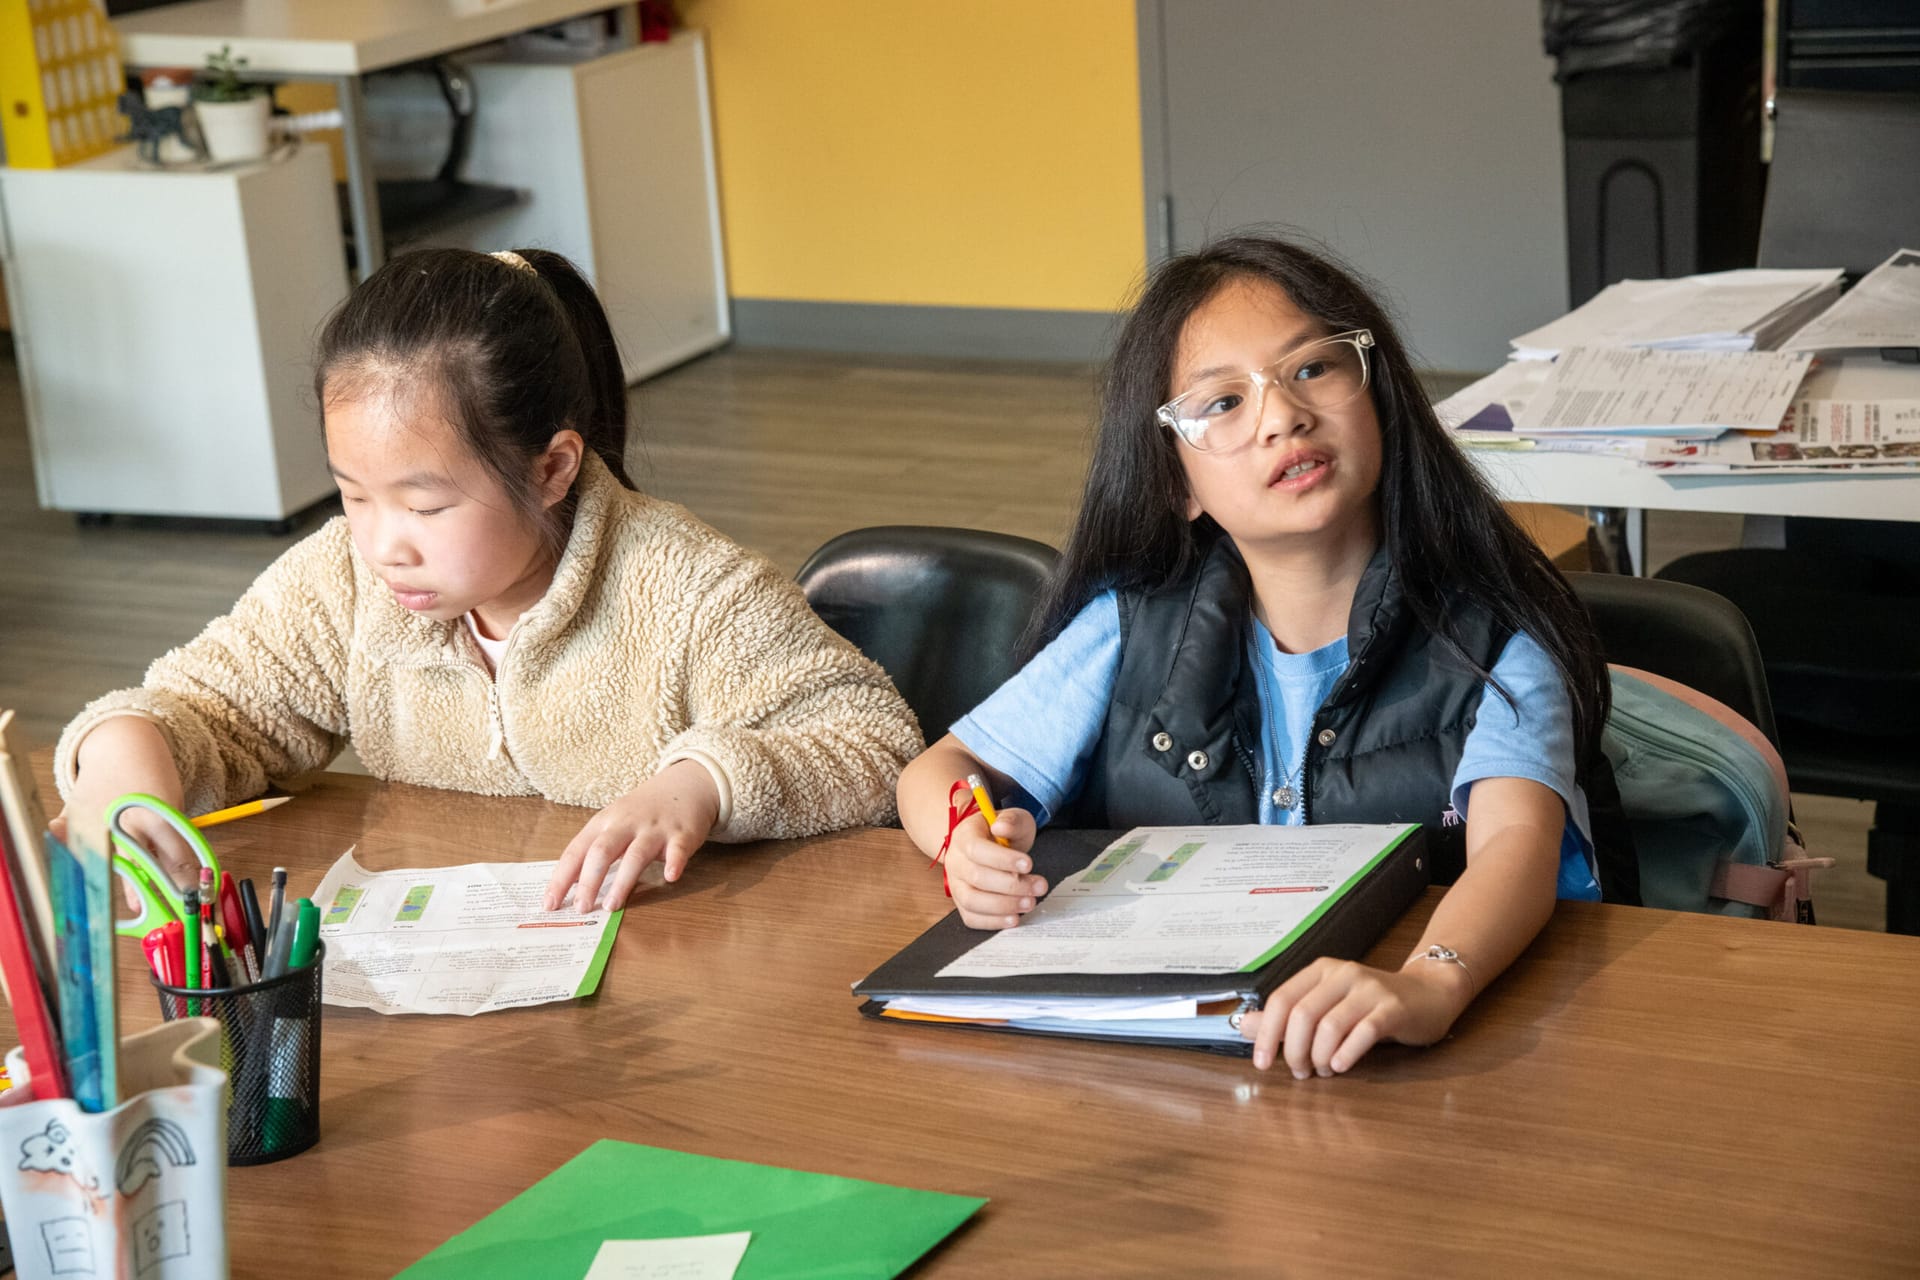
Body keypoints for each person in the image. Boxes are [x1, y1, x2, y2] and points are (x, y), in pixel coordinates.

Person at [898, 235, 1633, 1077]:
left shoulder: (1498, 630)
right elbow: (942, 766)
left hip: (1421, 1061)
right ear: (1174, 482)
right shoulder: (1130, 626)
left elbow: (1517, 846)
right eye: (1222, 404)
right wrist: (963, 841)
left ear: (1380, 395)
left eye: (1312, 368)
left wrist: (1431, 985)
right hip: (1174, 1069)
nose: (1282, 415)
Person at [56, 247, 921, 913]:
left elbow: (872, 739)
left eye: (425, 507)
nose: (384, 544)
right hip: (456, 1002)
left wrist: (701, 784)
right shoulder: (346, 579)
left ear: (551, 468)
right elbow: (210, 710)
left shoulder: (689, 590)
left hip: (671, 997)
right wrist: (123, 773)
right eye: (354, 495)